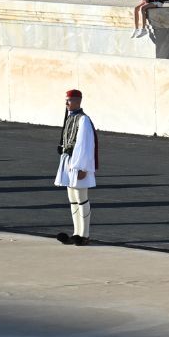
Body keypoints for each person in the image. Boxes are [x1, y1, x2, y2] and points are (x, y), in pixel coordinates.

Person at [53, 88, 98, 244]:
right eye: (66, 100)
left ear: (78, 101)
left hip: (78, 163)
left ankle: (84, 235)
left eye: (69, 100)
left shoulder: (83, 119)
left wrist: (83, 167)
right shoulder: (71, 118)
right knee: (72, 197)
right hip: (68, 162)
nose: (66, 103)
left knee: (81, 197)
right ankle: (76, 232)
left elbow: (85, 145)